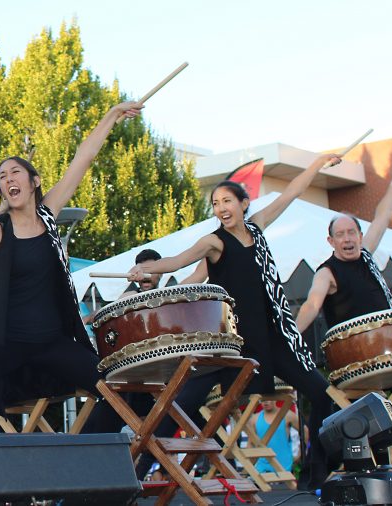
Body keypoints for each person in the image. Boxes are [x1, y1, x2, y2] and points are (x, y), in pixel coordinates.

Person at [128, 153, 343, 489]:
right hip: (231, 340)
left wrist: (316, 165)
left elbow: (290, 195)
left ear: (244, 204)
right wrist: (145, 270)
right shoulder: (215, 242)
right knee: (183, 403)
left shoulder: (257, 227)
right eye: (215, 203)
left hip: (273, 335)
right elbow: (177, 260)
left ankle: (316, 472)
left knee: (320, 392)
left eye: (227, 200)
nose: (221, 207)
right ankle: (137, 471)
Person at [0, 100, 144, 426]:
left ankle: (83, 458)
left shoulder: (48, 213)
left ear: (34, 181)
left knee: (119, 390)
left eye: (15, 172)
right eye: (2, 176)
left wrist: (112, 114)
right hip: (5, 345)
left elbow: (83, 158)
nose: (8, 178)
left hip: (52, 342)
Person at [294, 163, 392, 453]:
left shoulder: (366, 256)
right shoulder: (326, 272)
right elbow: (312, 305)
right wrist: (291, 334)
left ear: (360, 237)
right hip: (355, 361)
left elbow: (383, 216)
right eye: (341, 234)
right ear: (331, 241)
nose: (348, 239)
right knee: (331, 411)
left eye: (352, 232)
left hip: (390, 353)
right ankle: (317, 469)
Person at [249, 398, 300, 473]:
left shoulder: (287, 415)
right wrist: (249, 465)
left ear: (275, 399)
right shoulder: (254, 418)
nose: (266, 401)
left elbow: (305, 431)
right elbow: (250, 443)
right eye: (263, 399)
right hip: (262, 469)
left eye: (269, 398)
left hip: (284, 468)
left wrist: (299, 455)